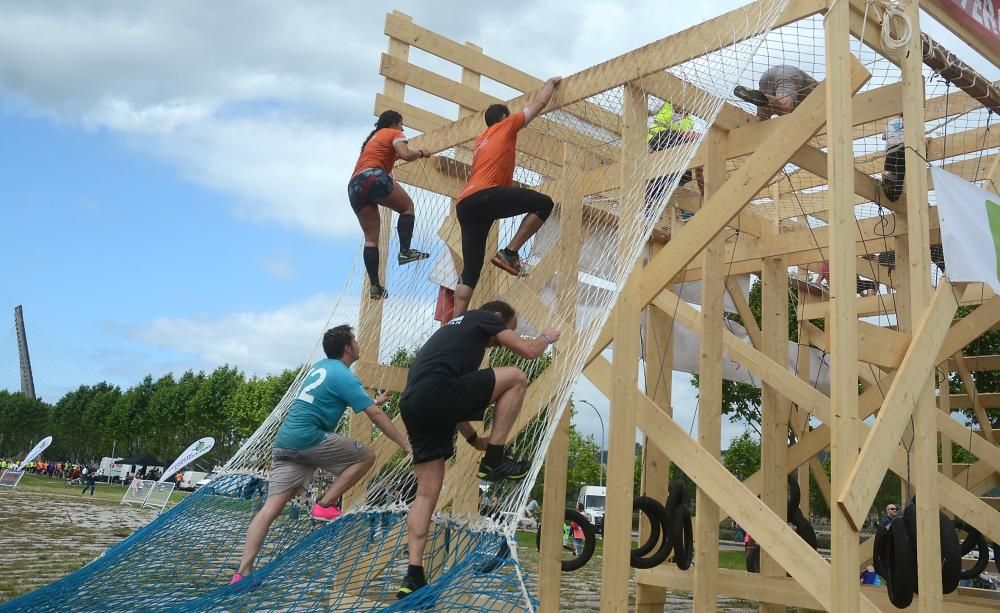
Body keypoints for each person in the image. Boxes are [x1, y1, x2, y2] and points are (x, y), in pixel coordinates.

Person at [396, 300, 560, 600]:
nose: (498, 344)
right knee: (517, 377)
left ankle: (413, 574)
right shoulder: (485, 317)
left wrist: (474, 441)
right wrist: (546, 337)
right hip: (436, 394)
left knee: (425, 493)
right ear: (498, 318)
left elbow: (450, 403)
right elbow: (530, 352)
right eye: (506, 331)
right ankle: (495, 459)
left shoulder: (455, 332)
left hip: (413, 404)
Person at [231, 325, 412, 584]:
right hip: (308, 439)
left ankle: (242, 573)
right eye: (356, 341)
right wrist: (405, 445)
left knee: (269, 509)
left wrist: (375, 401)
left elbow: (339, 401)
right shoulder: (344, 375)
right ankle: (325, 505)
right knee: (365, 456)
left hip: (284, 443)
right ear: (348, 348)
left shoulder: (320, 368)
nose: (359, 344)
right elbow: (375, 416)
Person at [452, 77, 563, 316]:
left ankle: (454, 322)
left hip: (465, 204)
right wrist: (551, 83)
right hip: (485, 196)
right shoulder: (507, 124)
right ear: (503, 117)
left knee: (471, 268)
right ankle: (510, 253)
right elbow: (539, 103)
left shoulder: (480, 139)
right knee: (544, 203)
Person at [349, 109, 433, 300]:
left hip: (355, 186)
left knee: (371, 239)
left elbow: (390, 155)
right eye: (402, 123)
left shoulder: (373, 139)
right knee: (407, 207)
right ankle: (405, 251)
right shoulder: (394, 133)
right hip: (373, 177)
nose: (403, 128)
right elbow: (404, 154)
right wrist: (421, 152)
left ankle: (375, 286)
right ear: (395, 123)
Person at [734, 65, 818, 120]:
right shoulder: (822, 98)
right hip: (788, 75)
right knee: (785, 106)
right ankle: (761, 97)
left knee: (762, 118)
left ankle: (755, 95)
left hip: (768, 75)